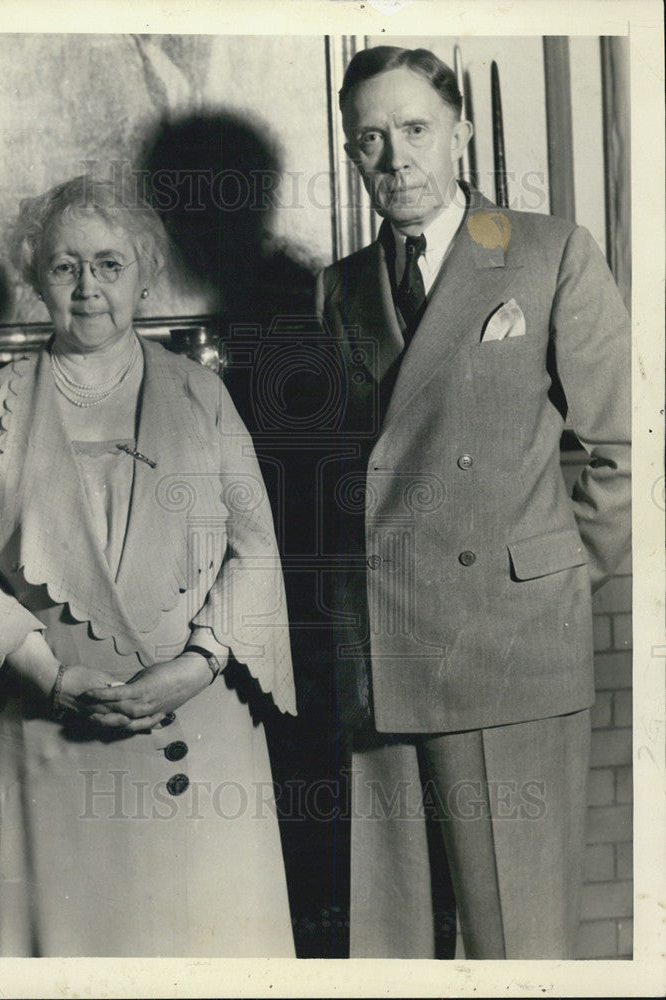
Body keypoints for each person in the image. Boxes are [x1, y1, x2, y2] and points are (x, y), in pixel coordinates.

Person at [317, 47, 631, 959]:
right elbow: (338, 479)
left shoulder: (547, 251)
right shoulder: (339, 288)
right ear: (350, 153)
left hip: (511, 645)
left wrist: (551, 581)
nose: (395, 158)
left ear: (459, 131)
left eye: (414, 130)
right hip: (385, 645)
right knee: (394, 942)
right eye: (369, 139)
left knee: (518, 943)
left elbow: (624, 451)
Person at [0, 174, 296, 957]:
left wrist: (198, 664)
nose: (88, 288)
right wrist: (48, 673)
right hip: (37, 737)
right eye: (65, 266)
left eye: (109, 265)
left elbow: (257, 550)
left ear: (145, 274)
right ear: (36, 278)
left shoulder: (202, 394)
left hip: (195, 726)